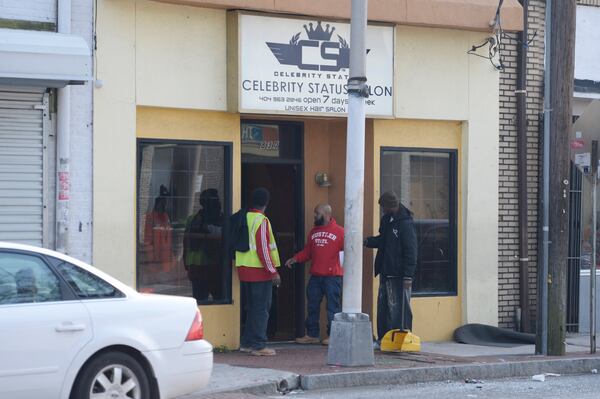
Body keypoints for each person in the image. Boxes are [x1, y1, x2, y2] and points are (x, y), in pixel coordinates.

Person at [286, 204, 344, 346]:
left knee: (333, 307)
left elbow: (347, 254)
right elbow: (308, 252)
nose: (314, 216)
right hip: (316, 276)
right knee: (312, 306)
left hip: (333, 277)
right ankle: (312, 335)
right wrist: (296, 258)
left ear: (325, 214)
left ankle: (334, 336)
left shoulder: (340, 232)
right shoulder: (313, 232)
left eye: (316, 213)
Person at [364, 191, 417, 345]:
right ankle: (384, 339)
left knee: (399, 310)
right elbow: (383, 240)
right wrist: (368, 241)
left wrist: (408, 276)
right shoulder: (387, 220)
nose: (381, 210)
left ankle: (400, 340)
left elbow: (411, 251)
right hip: (386, 272)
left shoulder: (405, 223)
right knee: (384, 309)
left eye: (383, 207)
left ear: (389, 206)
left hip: (399, 275)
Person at [236, 188, 282, 356]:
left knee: (252, 307)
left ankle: (248, 343)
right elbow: (263, 248)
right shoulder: (261, 220)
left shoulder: (244, 217)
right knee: (261, 308)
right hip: (259, 271)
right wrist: (273, 272)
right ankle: (258, 345)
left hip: (244, 269)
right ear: (266, 203)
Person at [183, 189, 224, 303]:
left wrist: (186, 263)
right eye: (217, 201)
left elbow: (185, 243)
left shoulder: (192, 219)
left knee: (200, 302)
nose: (219, 204)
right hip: (213, 267)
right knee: (220, 301)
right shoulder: (220, 220)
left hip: (195, 268)